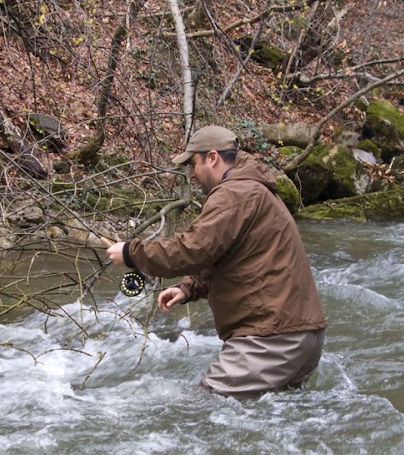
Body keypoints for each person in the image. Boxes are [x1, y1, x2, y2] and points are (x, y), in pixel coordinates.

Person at [106, 125, 326, 397]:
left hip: (270, 340)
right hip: (302, 337)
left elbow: (191, 249)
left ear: (212, 158)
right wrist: (188, 288)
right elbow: (228, 255)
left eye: (193, 164)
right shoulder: (253, 190)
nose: (192, 174)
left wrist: (131, 253)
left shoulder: (234, 194)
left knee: (201, 409)